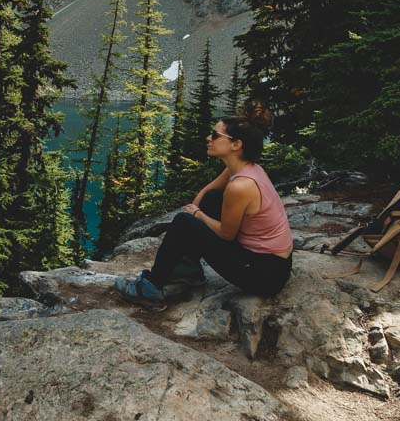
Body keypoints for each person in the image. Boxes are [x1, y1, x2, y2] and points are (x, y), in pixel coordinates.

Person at [115, 106, 294, 310]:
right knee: (211, 198)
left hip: (264, 275)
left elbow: (227, 234)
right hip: (272, 263)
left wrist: (197, 216)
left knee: (184, 222)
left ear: (236, 144)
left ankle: (150, 289)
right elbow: (207, 191)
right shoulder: (246, 167)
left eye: (216, 135)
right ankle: (188, 271)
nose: (209, 138)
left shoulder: (241, 186)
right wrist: (197, 208)